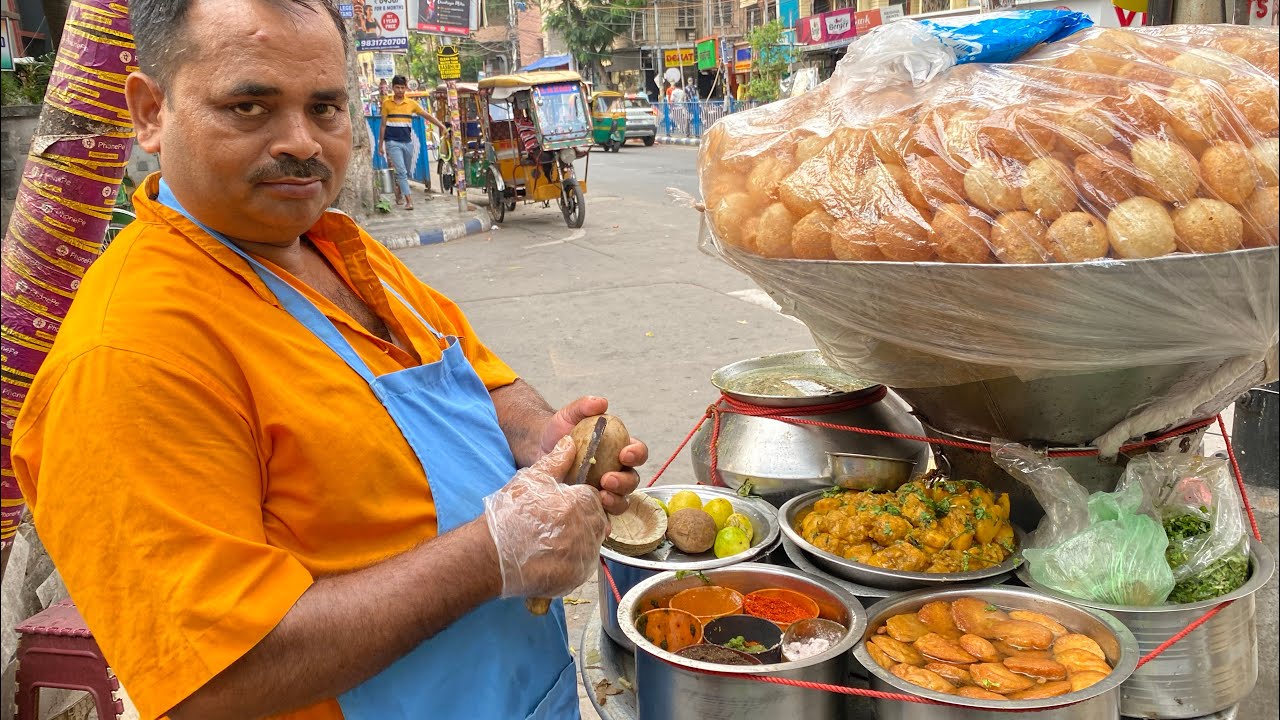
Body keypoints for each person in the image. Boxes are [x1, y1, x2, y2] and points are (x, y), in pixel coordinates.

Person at [11, 2, 647, 719]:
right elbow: (213, 681)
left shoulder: (339, 247)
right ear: (150, 112)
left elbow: (478, 375)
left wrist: (542, 436)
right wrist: (495, 555)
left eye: (325, 107)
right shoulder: (127, 357)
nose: (302, 143)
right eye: (249, 106)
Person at [379, 75, 444, 210]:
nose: (400, 90)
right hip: (392, 142)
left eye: (402, 88)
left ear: (406, 89)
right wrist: (381, 145)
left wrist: (441, 126)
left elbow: (427, 115)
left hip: (407, 142)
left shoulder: (411, 104)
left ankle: (398, 189)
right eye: (397, 87)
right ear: (393, 87)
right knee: (402, 171)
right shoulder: (386, 104)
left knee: (406, 171)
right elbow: (383, 125)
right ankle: (409, 201)